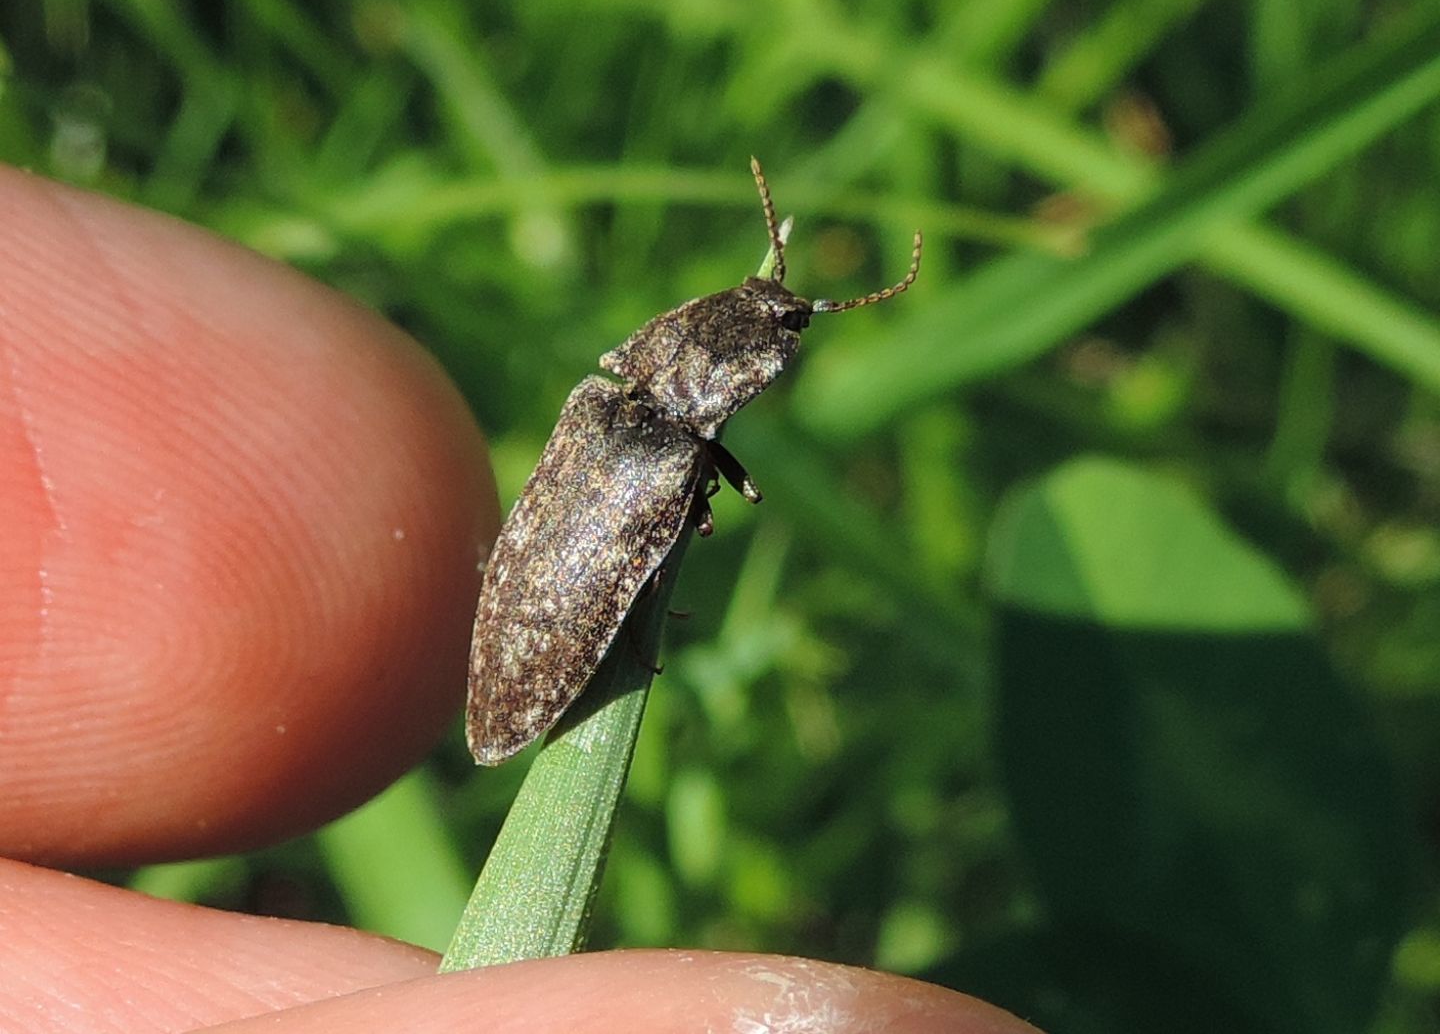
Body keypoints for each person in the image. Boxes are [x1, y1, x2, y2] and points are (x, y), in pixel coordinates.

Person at [0, 165, 1035, 1033]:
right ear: (742, 371)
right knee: (674, 525)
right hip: (553, 635)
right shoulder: (670, 447)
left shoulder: (608, 397)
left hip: (568, 562)